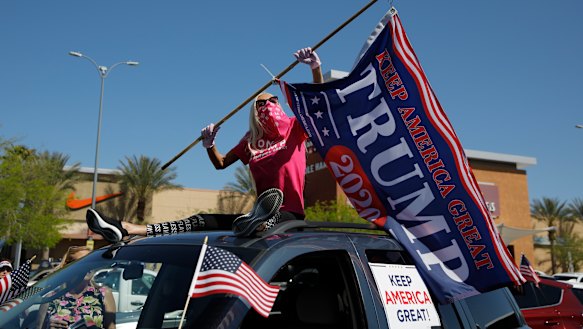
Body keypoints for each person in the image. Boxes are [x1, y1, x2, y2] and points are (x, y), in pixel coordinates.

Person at [86, 47, 323, 242]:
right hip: (255, 215)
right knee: (202, 220)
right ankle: (129, 228)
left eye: (273, 100)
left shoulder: (294, 128)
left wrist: (315, 68)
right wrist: (210, 145)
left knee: (266, 221)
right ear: (254, 113)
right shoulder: (249, 141)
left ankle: (258, 223)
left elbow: (316, 105)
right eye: (261, 104)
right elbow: (220, 164)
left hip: (290, 214)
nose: (269, 105)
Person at [36, 246, 116, 329]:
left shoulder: (103, 294)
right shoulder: (50, 299)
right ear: (69, 266)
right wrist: (48, 327)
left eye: (92, 262)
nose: (89, 266)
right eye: (83, 262)